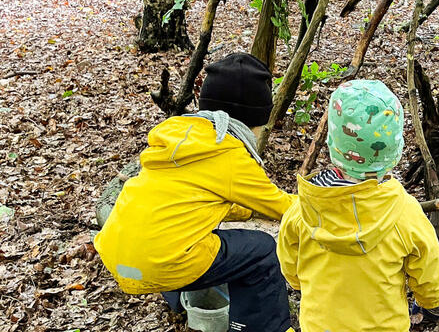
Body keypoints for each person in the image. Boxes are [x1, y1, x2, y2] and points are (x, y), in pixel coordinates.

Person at [94, 53, 296, 332]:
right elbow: (284, 207)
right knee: (261, 251)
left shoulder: (177, 136)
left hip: (118, 256)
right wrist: (327, 201)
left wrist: (244, 211)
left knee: (184, 232)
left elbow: (190, 198)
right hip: (161, 264)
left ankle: (180, 301)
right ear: (253, 120)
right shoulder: (228, 153)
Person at [277, 80, 439, 332]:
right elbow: (428, 269)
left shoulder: (305, 208)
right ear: (394, 151)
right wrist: (433, 304)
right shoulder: (405, 213)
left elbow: (290, 265)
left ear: (333, 144)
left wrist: (301, 284)